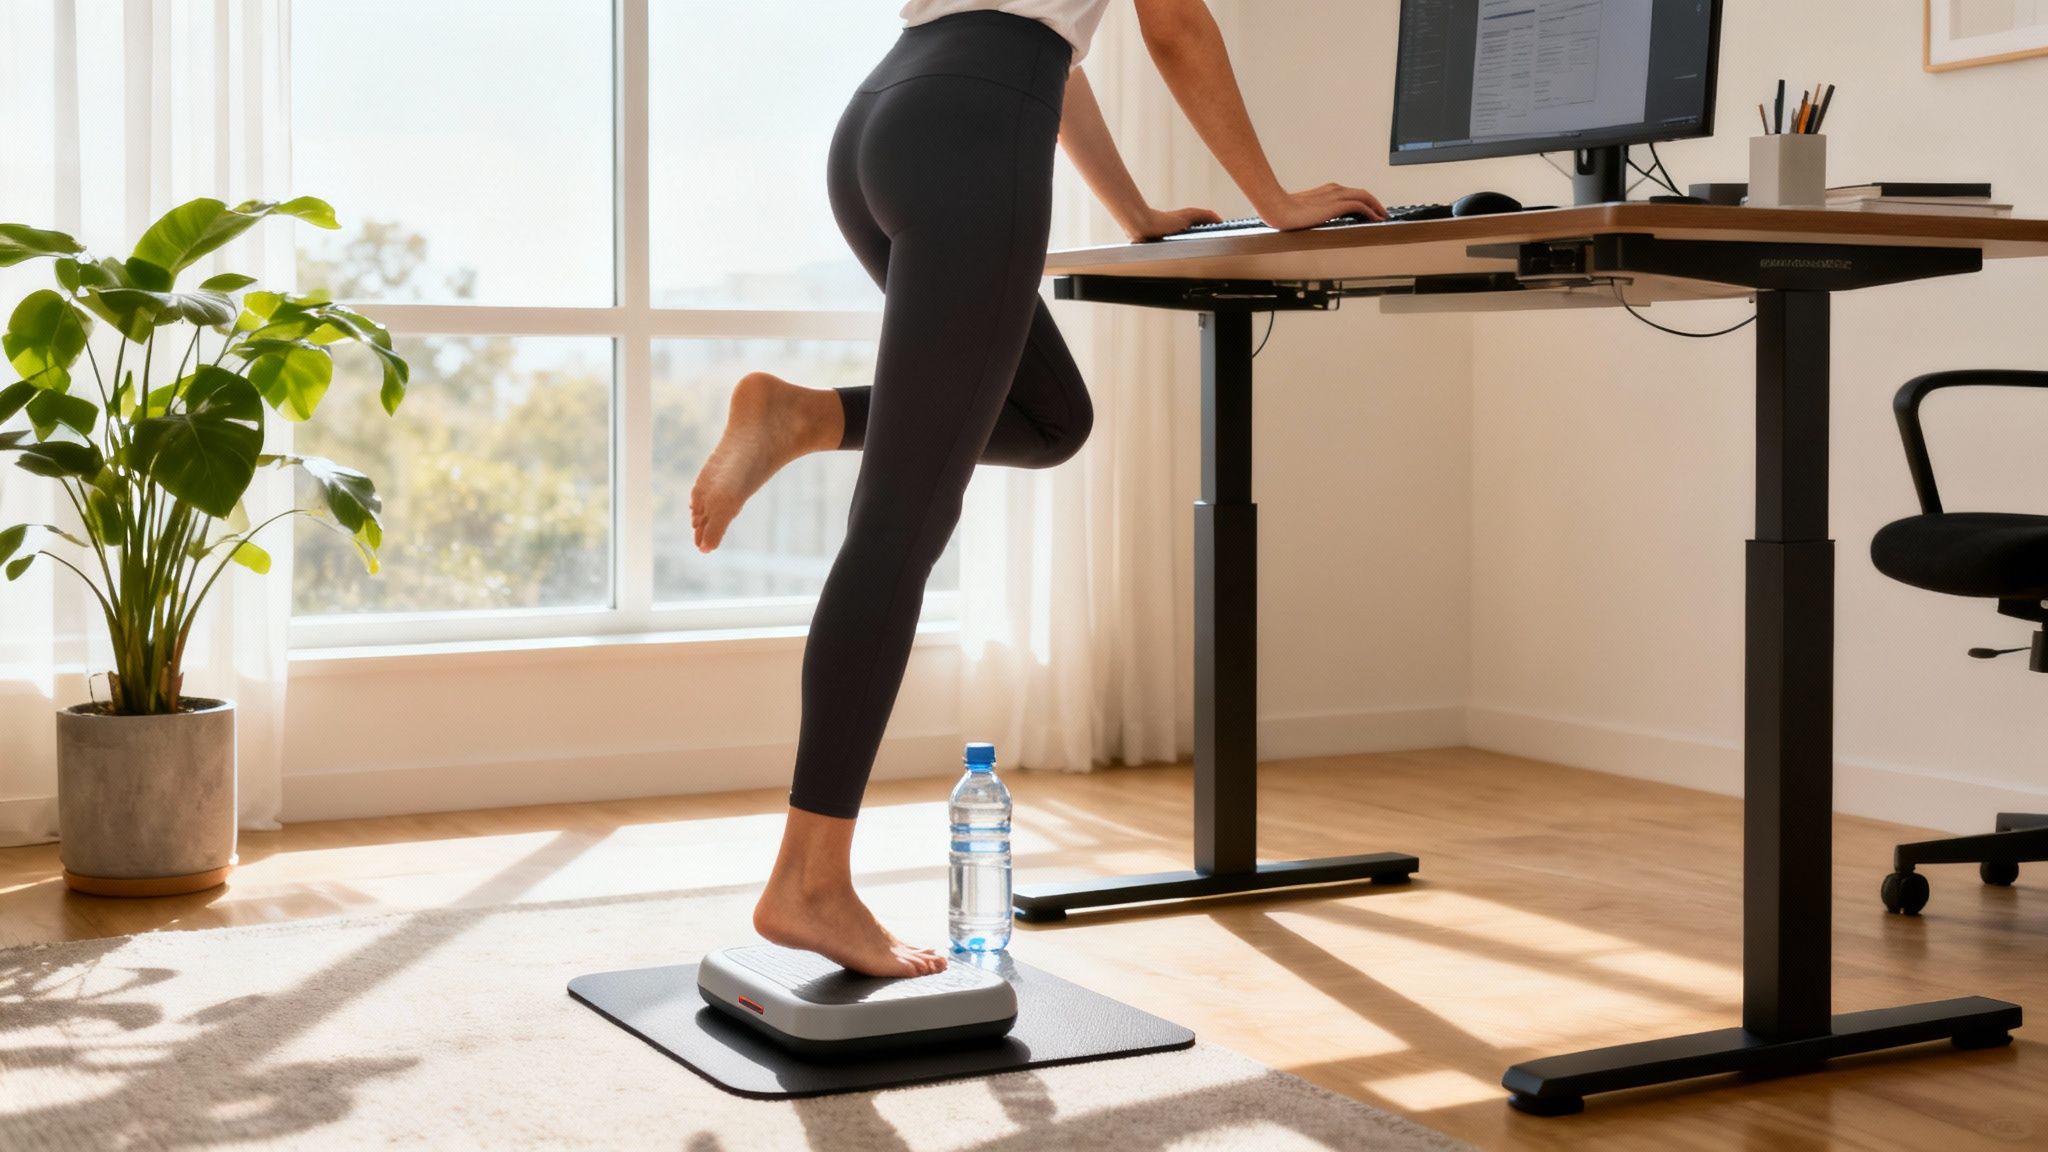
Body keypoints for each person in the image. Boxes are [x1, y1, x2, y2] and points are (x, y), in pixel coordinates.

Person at [689, 0, 1386, 977]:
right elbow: (1174, 24)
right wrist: (1272, 198)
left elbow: (1050, 49)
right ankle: (806, 883)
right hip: (972, 133)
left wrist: (1135, 214)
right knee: (900, 528)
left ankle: (810, 417)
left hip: (883, 117)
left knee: (1051, 418)